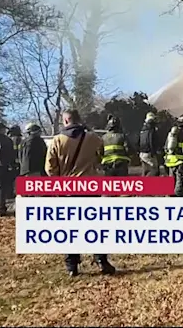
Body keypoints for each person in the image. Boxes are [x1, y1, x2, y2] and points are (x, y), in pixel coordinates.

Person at [45, 109, 115, 277]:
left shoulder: (57, 140)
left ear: (66, 121)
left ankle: (72, 266)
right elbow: (100, 157)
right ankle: (101, 260)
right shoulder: (92, 138)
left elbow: (49, 168)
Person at [163, 114, 183, 197]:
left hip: (170, 160)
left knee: (171, 178)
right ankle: (178, 196)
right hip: (180, 160)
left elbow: (166, 146)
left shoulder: (172, 133)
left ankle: (169, 194)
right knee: (180, 180)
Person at [138, 112, 162, 176]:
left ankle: (144, 184)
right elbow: (151, 141)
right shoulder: (151, 129)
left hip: (142, 153)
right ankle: (150, 184)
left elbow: (138, 141)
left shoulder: (142, 129)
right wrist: (153, 152)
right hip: (149, 153)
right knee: (155, 170)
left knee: (145, 171)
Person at [8, 125, 23, 199]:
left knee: (12, 179)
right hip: (17, 162)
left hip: (12, 162)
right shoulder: (19, 139)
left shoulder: (13, 139)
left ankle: (11, 193)